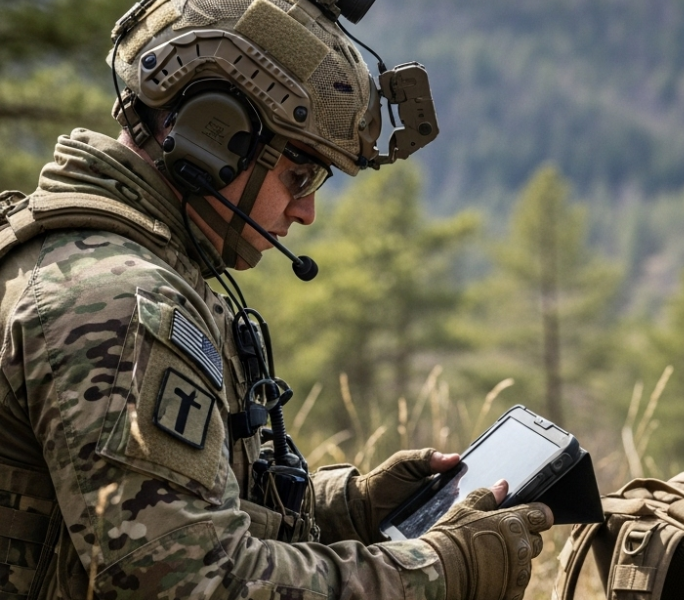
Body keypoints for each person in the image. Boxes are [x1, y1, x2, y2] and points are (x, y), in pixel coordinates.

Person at [0, 0, 552, 598]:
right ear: (215, 136)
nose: (307, 210)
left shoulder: (94, 263)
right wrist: (442, 572)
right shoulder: (117, 303)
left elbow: (173, 512)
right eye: (302, 174)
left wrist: (353, 509)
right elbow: (197, 582)